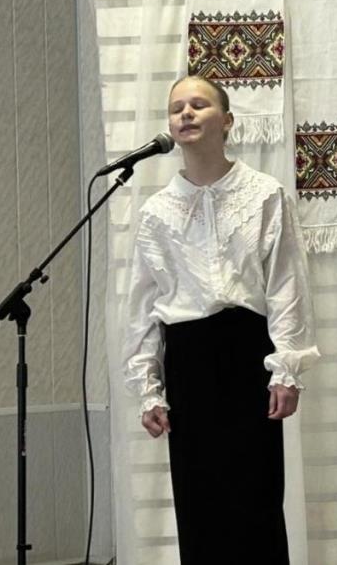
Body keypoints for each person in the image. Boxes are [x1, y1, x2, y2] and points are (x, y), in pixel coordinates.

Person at [121, 75, 320, 563]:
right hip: (187, 362)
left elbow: (286, 284)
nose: (185, 114)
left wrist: (287, 367)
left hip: (246, 354)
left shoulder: (265, 194)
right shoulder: (156, 213)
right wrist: (148, 387)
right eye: (176, 108)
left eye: (198, 105)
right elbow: (144, 304)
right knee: (200, 506)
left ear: (227, 121)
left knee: (256, 502)